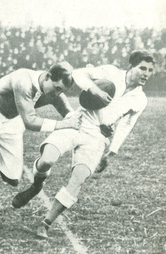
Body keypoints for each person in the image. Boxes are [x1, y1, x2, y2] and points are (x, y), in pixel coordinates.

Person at [11, 50, 155, 238]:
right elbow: (78, 74)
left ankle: (46, 223)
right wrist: (94, 89)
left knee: (78, 179)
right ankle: (36, 186)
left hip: (97, 137)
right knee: (46, 159)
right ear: (131, 66)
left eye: (150, 70)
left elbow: (127, 124)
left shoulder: (140, 99)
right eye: (142, 68)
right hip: (78, 121)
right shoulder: (110, 72)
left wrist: (112, 151)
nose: (146, 73)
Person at [0, 61, 85, 238]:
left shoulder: (55, 92)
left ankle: (26, 181)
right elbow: (30, 122)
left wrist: (88, 120)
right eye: (56, 88)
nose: (58, 93)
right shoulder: (23, 80)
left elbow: (70, 116)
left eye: (61, 90)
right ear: (48, 77)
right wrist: (64, 124)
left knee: (13, 179)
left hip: (10, 125)